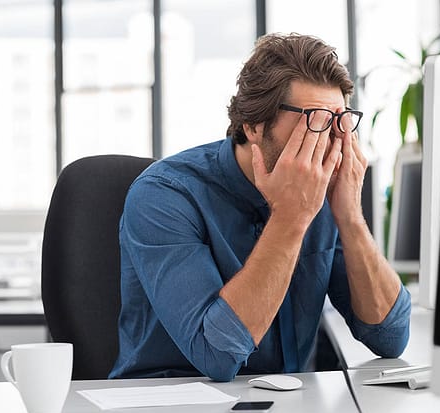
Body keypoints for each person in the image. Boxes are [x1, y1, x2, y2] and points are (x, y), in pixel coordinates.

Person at [109, 33, 411, 382]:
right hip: (172, 401)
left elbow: (390, 337)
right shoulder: (164, 195)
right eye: (315, 120)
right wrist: (291, 217)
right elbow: (217, 356)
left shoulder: (327, 193)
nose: (330, 142)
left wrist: (350, 217)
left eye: (340, 123)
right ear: (254, 125)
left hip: (289, 402)